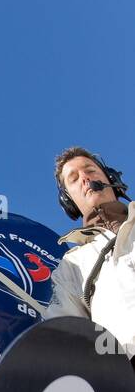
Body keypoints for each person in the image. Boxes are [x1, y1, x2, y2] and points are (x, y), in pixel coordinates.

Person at [45, 146, 133, 356]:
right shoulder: (72, 265)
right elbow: (63, 337)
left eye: (90, 170)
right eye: (74, 178)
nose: (85, 177)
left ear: (111, 178)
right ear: (69, 202)